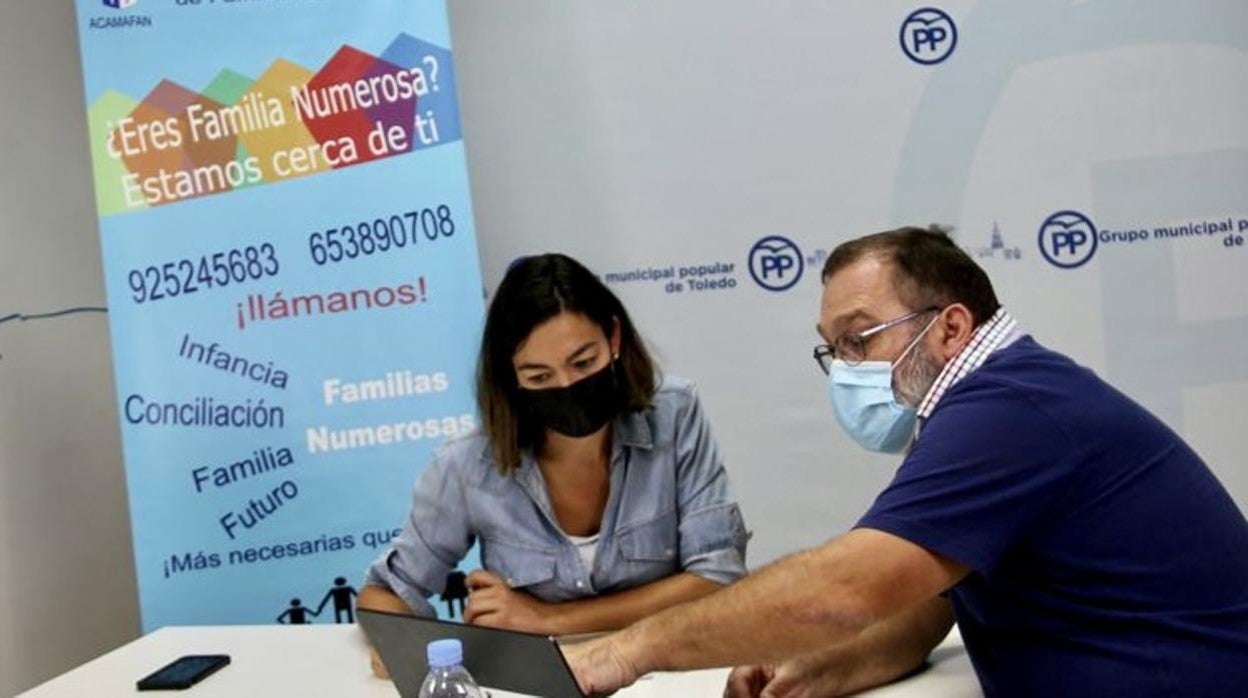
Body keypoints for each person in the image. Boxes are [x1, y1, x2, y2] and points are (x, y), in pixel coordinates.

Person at [566, 226, 1248, 697]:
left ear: (950, 327)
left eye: (859, 339)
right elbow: (928, 604)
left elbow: (845, 590)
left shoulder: (1009, 410)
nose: (844, 368)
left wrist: (628, 648)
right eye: (833, 349)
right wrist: (821, 665)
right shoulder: (996, 400)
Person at [357, 253, 749, 640]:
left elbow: (719, 578)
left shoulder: (674, 414)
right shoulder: (467, 462)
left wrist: (548, 619)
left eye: (583, 362)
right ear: (511, 379)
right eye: (539, 376)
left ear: (613, 338)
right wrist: (404, 646)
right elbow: (387, 593)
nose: (566, 386)